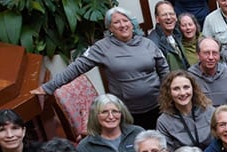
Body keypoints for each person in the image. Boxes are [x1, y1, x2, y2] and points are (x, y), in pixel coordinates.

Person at [33, 7, 169, 130]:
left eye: (125, 20)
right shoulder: (102, 47)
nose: (122, 25)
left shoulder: (147, 43)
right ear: (110, 28)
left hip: (157, 106)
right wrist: (48, 87)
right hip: (128, 112)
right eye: (116, 22)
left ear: (131, 23)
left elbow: (164, 70)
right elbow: (76, 68)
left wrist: (168, 98)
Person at [156, 70, 215, 151]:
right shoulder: (163, 122)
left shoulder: (209, 112)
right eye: (176, 89)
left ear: (193, 89)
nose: (182, 93)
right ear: (169, 92)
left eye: (186, 87)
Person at [150, 1, 190, 71]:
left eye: (171, 14)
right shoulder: (153, 43)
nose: (169, 17)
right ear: (157, 19)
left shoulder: (177, 33)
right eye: (164, 15)